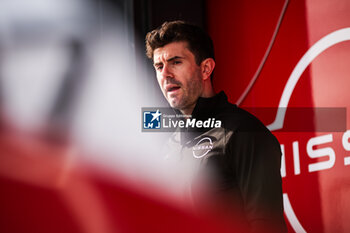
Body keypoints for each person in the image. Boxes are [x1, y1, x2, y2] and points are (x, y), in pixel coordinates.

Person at [145, 20, 287, 232]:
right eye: (159, 66)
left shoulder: (243, 132)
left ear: (206, 68)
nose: (165, 74)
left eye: (176, 62)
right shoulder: (165, 145)